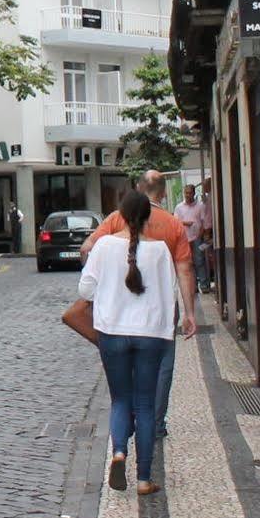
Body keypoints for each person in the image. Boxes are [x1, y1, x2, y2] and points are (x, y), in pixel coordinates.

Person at [61, 191, 197, 494]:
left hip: (113, 332)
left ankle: (119, 452)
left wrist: (109, 292)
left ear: (120, 215)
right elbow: (168, 293)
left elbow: (86, 290)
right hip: (150, 334)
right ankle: (144, 479)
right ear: (148, 217)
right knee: (146, 405)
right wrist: (168, 331)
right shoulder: (161, 250)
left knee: (120, 399)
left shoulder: (104, 246)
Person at [83, 171, 194, 437]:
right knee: (162, 366)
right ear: (163, 193)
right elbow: (185, 269)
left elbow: (87, 248)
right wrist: (189, 312)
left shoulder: (115, 219)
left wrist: (99, 282)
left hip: (119, 308)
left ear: (137, 189)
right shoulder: (174, 224)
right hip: (161, 308)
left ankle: (126, 422)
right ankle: (155, 423)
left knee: (125, 367)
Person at [176, 184, 210, 290]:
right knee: (188, 263)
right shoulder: (179, 207)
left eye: (190, 193)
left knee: (199, 261)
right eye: (186, 193)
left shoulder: (200, 206)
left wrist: (201, 234)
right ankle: (193, 286)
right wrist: (185, 223)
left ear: (194, 193)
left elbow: (204, 222)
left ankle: (204, 285)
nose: (187, 195)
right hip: (184, 239)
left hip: (197, 238)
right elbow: (175, 222)